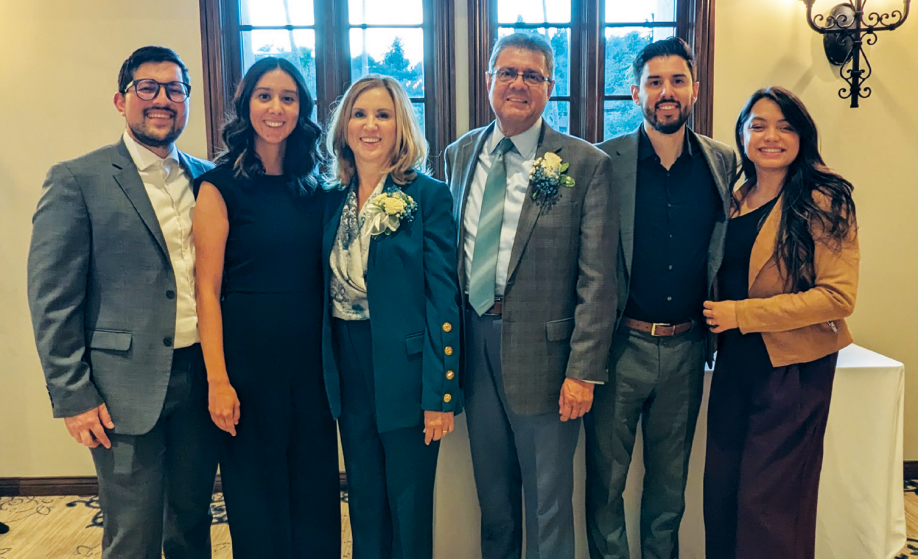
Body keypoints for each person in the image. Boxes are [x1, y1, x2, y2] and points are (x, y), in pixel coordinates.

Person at [27, 46, 217, 558]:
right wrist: (72, 393)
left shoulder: (209, 179)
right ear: (121, 99)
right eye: (147, 88)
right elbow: (52, 297)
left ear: (187, 101)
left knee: (193, 521)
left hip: (201, 379)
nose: (162, 99)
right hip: (120, 389)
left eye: (174, 89)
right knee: (131, 533)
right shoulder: (77, 180)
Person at [445, 33, 617, 558]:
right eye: (507, 72)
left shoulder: (584, 164)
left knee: (547, 505)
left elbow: (598, 278)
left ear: (550, 87)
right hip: (474, 348)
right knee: (493, 502)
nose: (518, 84)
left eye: (532, 75)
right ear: (489, 80)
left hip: (548, 360)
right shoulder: (458, 155)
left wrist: (582, 370)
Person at [587, 37, 739, 559]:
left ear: (694, 89)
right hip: (618, 346)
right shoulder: (604, 162)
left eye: (677, 80)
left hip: (687, 347)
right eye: (655, 82)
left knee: (669, 487)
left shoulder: (722, 162)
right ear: (635, 93)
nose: (666, 92)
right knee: (605, 485)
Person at [702, 86, 858, 559]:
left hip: (792, 371)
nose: (771, 136)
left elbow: (838, 296)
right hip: (733, 366)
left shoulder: (823, 197)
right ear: (743, 135)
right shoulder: (734, 198)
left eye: (785, 126)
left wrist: (740, 314)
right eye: (759, 125)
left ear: (802, 135)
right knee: (723, 494)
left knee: (770, 505)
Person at [193, 57, 340, 558]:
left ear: (302, 109)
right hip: (248, 368)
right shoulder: (218, 186)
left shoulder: (318, 187)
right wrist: (218, 381)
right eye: (264, 96)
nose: (276, 108)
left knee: (316, 497)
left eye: (288, 97)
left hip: (312, 369)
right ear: (245, 105)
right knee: (257, 502)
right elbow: (206, 292)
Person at [321, 74, 461, 559]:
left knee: (408, 507)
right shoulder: (329, 200)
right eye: (360, 114)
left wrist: (440, 392)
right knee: (363, 501)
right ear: (344, 126)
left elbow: (444, 298)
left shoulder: (428, 197)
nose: (370, 125)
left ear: (400, 126)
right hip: (348, 366)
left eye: (383, 115)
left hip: (407, 371)